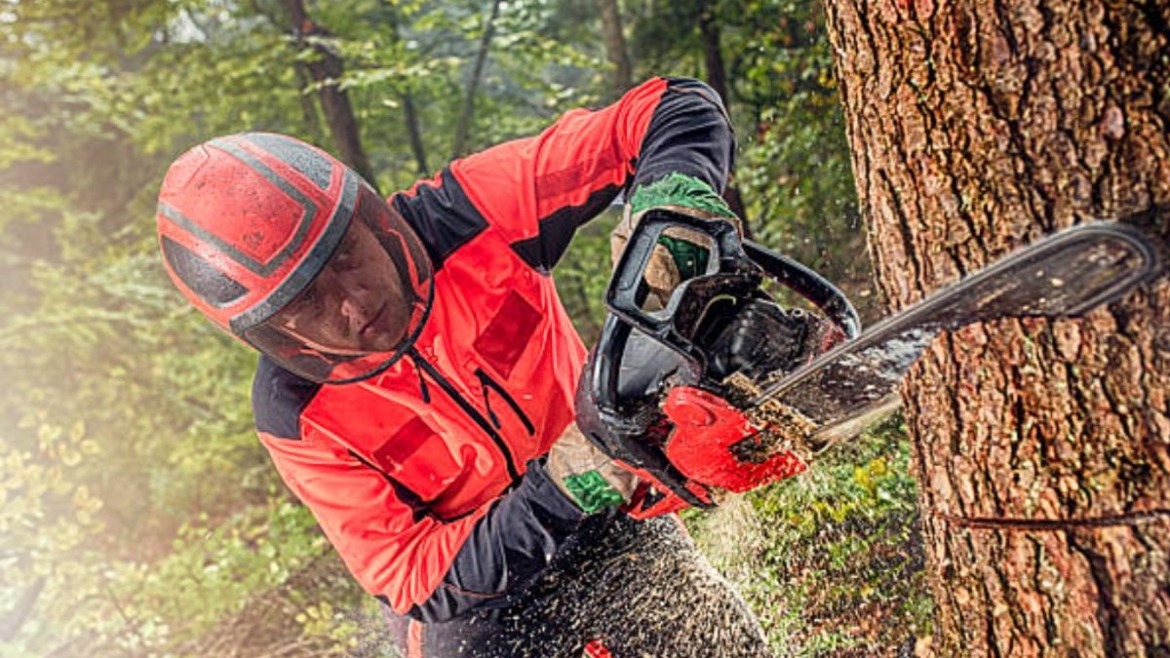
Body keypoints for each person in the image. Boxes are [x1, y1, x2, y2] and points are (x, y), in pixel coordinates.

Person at [156, 76, 773, 658]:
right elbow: (413, 576)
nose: (352, 302)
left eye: (346, 258)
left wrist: (672, 210)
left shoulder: (469, 214)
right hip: (478, 598)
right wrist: (561, 486)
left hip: (610, 503)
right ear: (272, 331)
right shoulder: (295, 412)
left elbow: (669, 108)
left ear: (370, 220)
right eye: (307, 304)